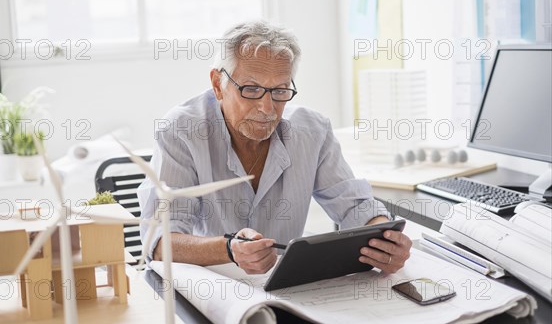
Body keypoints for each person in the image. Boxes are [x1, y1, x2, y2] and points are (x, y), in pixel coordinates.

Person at [138, 21, 412, 275]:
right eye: (251, 89)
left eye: (280, 91)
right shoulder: (180, 130)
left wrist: (385, 238)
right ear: (217, 85)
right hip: (208, 288)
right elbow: (161, 242)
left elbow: (355, 208)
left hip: (283, 289)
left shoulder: (312, 131)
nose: (267, 109)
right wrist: (229, 249)